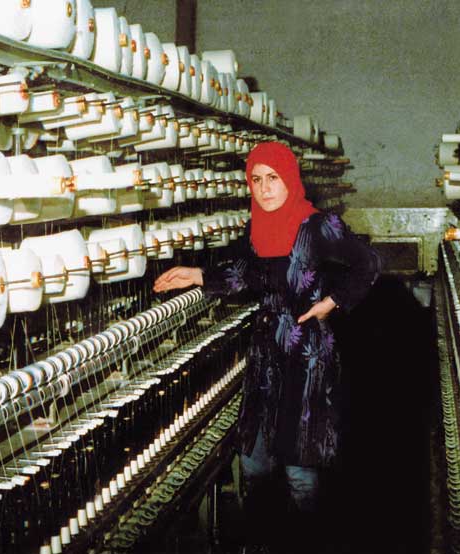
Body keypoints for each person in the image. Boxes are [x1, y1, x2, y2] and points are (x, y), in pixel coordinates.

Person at [153, 141, 381, 551]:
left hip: (306, 354)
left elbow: (368, 263)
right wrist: (197, 275)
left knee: (300, 468)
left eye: (273, 178)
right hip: (265, 354)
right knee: (254, 461)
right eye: (256, 179)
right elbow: (245, 274)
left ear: (289, 179)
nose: (264, 188)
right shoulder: (256, 228)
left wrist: (332, 302)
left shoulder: (318, 226)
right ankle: (263, 541)